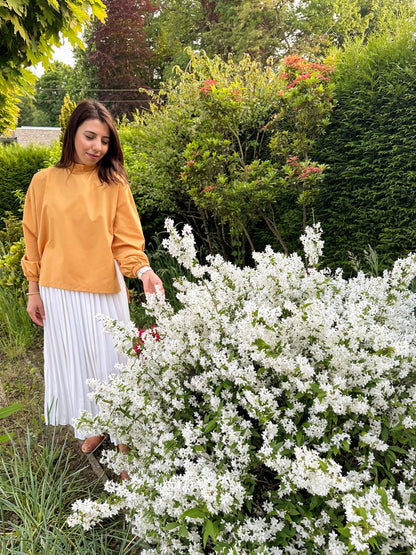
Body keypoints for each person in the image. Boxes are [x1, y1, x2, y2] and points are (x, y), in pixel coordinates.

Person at [21, 99, 164, 462]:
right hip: (57, 290)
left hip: (103, 289)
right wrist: (33, 290)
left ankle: (126, 446)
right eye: (89, 136)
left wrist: (143, 271)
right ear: (72, 134)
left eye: (104, 140)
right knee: (78, 365)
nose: (96, 147)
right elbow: (34, 239)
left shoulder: (113, 184)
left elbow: (128, 242)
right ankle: (95, 426)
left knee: (112, 365)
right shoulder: (43, 181)